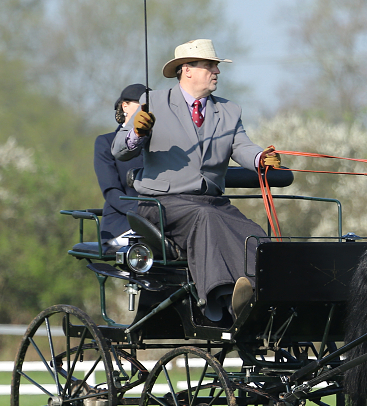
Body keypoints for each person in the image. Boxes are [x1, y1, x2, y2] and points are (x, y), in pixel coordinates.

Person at [111, 39, 279, 323]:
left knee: (254, 234)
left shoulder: (229, 111)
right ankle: (223, 297)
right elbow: (119, 150)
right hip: (162, 204)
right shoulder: (153, 104)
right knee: (206, 217)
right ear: (187, 70)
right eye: (210, 65)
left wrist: (261, 158)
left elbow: (242, 146)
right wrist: (136, 134)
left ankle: (259, 291)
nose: (217, 71)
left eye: (216, 66)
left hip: (211, 202)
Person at [94, 83, 145, 247]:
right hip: (123, 223)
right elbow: (111, 191)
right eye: (142, 104)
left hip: (163, 219)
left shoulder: (161, 144)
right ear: (125, 106)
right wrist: (142, 211)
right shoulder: (106, 142)